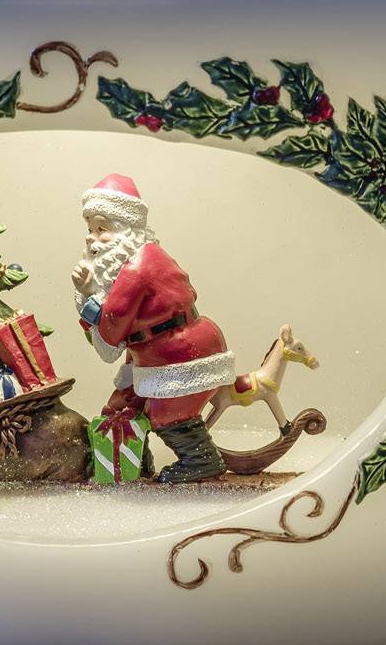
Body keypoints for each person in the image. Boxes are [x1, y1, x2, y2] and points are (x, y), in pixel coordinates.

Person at [70, 173, 297, 484]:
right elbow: (112, 341)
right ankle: (133, 462)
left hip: (180, 355)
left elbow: (111, 331)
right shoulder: (127, 264)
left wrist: (86, 294)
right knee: (120, 408)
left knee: (165, 414)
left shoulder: (139, 266)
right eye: (90, 229)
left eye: (102, 229)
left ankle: (201, 460)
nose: (91, 238)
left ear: (127, 230)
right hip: (150, 357)